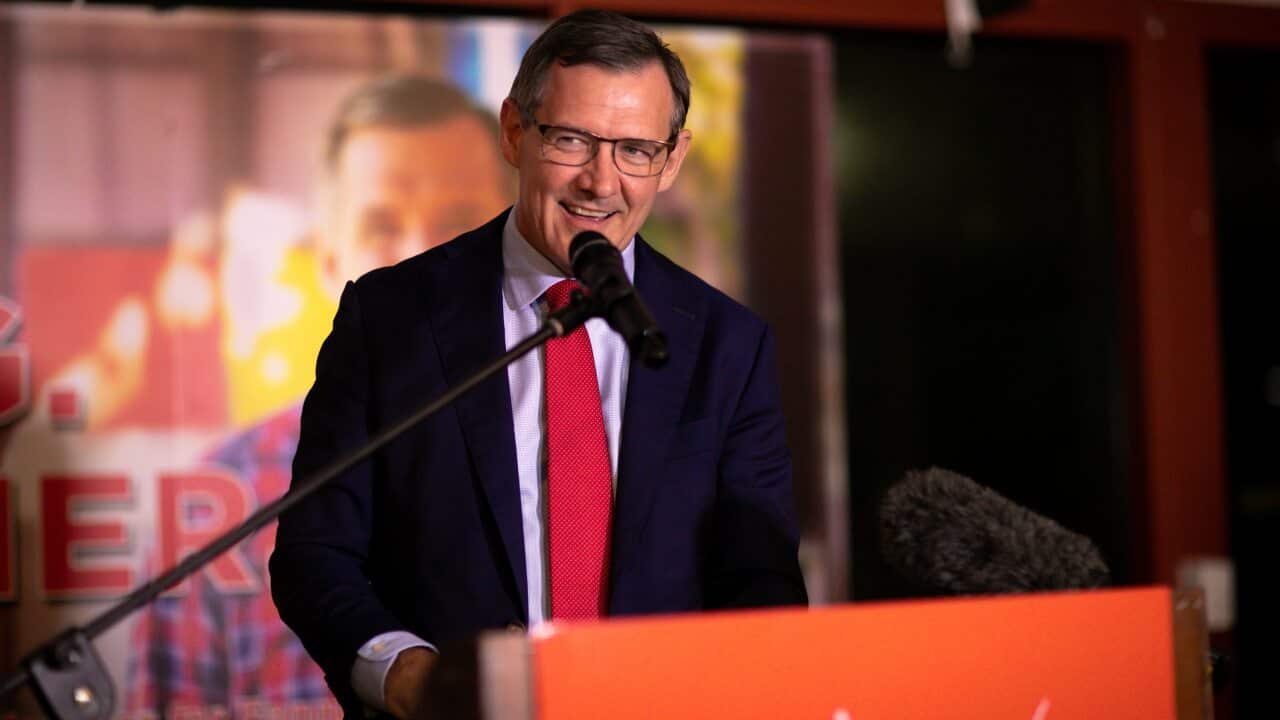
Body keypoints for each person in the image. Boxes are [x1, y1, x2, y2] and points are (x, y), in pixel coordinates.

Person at [272, 11, 808, 719]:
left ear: (672, 160)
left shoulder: (727, 344)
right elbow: (317, 553)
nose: (600, 182)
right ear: (515, 133)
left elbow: (761, 585)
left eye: (634, 150)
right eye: (571, 140)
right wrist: (411, 679)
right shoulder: (389, 320)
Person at [124, 75, 512, 718]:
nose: (418, 256)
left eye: (457, 223)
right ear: (329, 262)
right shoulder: (216, 509)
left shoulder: (591, 467)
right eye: (382, 226)